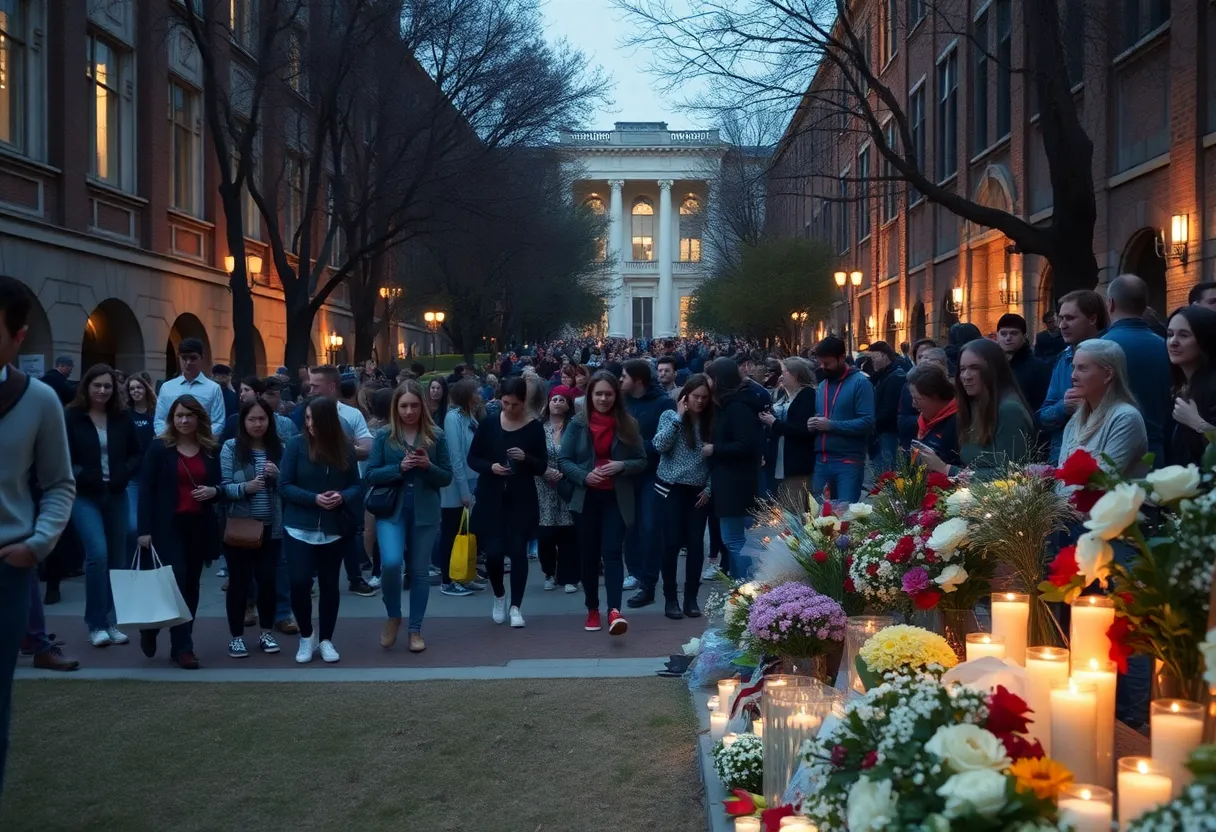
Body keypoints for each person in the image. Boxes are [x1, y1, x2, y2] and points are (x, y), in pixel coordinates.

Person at [0, 275, 76, 795]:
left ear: (18, 337)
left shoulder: (38, 399)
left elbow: (58, 484)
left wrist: (38, 543)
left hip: (6, 566)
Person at [137, 394, 223, 669]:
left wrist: (214, 491)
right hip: (167, 525)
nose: (184, 420)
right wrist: (143, 529)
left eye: (189, 415)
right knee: (177, 580)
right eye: (179, 416)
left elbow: (219, 484)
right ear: (172, 419)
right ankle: (166, 636)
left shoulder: (210, 449)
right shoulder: (160, 448)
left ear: (199, 418)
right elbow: (145, 490)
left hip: (198, 525)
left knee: (191, 585)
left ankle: (179, 644)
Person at [558, 371, 646, 636]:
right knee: (589, 555)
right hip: (586, 498)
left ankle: (615, 610)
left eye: (608, 393)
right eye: (598, 394)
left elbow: (642, 460)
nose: (604, 398)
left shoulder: (628, 423)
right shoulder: (577, 424)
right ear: (590, 395)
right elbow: (564, 460)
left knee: (612, 552)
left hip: (615, 499)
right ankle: (593, 608)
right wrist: (585, 476)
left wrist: (622, 465)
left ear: (615, 395)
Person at [367, 380, 452, 654]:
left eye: (414, 405)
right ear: (396, 407)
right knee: (391, 563)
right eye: (403, 406)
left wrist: (428, 466)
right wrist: (398, 468)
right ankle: (394, 614)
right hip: (392, 510)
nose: (409, 411)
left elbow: (446, 476)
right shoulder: (384, 436)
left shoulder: (436, 435)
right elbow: (370, 474)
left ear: (422, 406)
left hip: (425, 511)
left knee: (419, 572)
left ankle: (415, 629)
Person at [279, 397, 363, 664]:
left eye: (314, 418)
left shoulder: (345, 449)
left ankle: (326, 639)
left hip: (333, 528)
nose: (310, 424)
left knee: (329, 585)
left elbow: (356, 485)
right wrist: (313, 498)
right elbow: (284, 485)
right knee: (299, 582)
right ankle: (307, 635)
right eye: (306, 418)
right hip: (299, 526)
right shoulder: (296, 445)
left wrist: (342, 496)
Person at [65, 363, 141, 648]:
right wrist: (82, 475)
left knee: (118, 560)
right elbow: (62, 454)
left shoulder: (121, 416)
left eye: (108, 386)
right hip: (84, 495)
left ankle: (110, 621)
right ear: (87, 386)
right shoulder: (72, 416)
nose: (102, 390)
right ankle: (95, 624)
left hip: (117, 493)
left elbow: (136, 453)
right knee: (97, 554)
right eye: (97, 385)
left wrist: (124, 473)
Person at [466, 376, 547, 628]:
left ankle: (516, 607)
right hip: (492, 497)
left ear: (524, 402)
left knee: (518, 552)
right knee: (494, 554)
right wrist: (491, 467)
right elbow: (473, 458)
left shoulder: (533, 428)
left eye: (514, 404)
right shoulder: (489, 424)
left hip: (521, 498)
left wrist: (526, 458)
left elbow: (542, 466)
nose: (509, 409)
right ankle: (499, 594)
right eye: (505, 403)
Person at [218, 398, 285, 658]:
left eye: (262, 419)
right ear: (243, 421)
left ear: (270, 421)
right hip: (240, 527)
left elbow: (288, 489)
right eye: (252, 419)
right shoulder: (231, 448)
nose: (257, 424)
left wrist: (278, 477)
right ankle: (236, 637)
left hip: (272, 528)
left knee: (267, 580)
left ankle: (266, 632)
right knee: (239, 582)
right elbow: (222, 488)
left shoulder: (280, 449)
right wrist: (245, 488)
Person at [917, 339, 1033, 480]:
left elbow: (1011, 475)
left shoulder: (1010, 410)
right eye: (963, 369)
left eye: (975, 368)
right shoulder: (975, 406)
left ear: (993, 369)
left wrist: (945, 469)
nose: (966, 376)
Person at [307, 365, 376, 597]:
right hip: (312, 485)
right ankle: (307, 580)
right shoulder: (303, 413)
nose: (311, 389)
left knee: (349, 531)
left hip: (344, 482)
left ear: (332, 386)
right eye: (310, 384)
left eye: (316, 385)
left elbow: (367, 448)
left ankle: (355, 578)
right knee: (311, 530)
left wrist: (337, 451)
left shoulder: (350, 414)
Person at [652, 374, 713, 619]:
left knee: (696, 546)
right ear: (685, 396)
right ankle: (670, 597)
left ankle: (691, 598)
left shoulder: (711, 422)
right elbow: (658, 445)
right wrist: (678, 418)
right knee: (671, 543)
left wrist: (709, 489)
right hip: (671, 488)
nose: (699, 402)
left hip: (698, 490)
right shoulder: (669, 417)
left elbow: (716, 462)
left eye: (704, 398)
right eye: (695, 397)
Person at [620, 358, 676, 608]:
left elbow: (665, 442)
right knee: (629, 525)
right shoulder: (621, 402)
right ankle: (635, 571)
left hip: (653, 474)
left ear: (638, 380)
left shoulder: (663, 403)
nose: (621, 380)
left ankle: (649, 583)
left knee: (651, 526)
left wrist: (635, 448)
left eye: (624, 376)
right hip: (625, 474)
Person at [705, 358, 765, 580]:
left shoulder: (738, 407)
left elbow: (745, 445)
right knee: (735, 538)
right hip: (730, 478)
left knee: (734, 539)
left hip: (736, 481)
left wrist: (715, 449)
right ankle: (742, 584)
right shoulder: (728, 404)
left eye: (710, 378)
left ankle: (746, 585)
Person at [1103, 274, 1171, 467]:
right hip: (1157, 454)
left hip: (1111, 453)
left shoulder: (1098, 348)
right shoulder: (1167, 347)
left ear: (1111, 304)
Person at [1058, 340, 1147, 478]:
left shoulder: (1125, 418)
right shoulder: (1075, 420)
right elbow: (1062, 479)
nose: (1073, 376)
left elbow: (1104, 481)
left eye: (1082, 368)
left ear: (1108, 374)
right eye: (1073, 367)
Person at [1039, 290, 1109, 464]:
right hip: (1062, 459)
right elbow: (1043, 416)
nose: (1062, 325)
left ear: (1092, 319)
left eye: (1069, 318)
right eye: (1060, 318)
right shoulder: (1063, 359)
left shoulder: (1112, 355)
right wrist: (1064, 407)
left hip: (1101, 461)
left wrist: (1088, 408)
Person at [807, 337, 874, 503]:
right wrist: (813, 424)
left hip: (848, 461)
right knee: (819, 517)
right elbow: (824, 416)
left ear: (842, 357)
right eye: (820, 363)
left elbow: (867, 421)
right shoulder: (823, 385)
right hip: (821, 460)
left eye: (827, 363)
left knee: (845, 517)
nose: (823, 368)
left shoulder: (860, 383)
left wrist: (830, 425)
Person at [438, 379, 483, 597]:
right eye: (476, 393)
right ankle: (448, 580)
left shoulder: (469, 417)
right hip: (456, 485)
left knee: (467, 532)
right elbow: (456, 456)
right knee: (452, 532)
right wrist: (464, 491)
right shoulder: (452, 418)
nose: (479, 396)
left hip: (472, 480)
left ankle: (464, 575)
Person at [536, 386, 580, 593]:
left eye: (562, 400)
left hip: (567, 484)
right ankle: (548, 572)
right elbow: (531, 454)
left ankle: (569, 576)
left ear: (568, 404)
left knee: (567, 533)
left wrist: (566, 473)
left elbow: (580, 454)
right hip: (542, 486)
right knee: (545, 534)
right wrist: (543, 470)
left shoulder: (574, 427)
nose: (557, 403)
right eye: (554, 399)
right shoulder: (538, 427)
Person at [759, 357, 817, 505]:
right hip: (779, 461)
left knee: (795, 509)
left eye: (784, 372)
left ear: (795, 375)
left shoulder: (807, 395)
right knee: (786, 509)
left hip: (796, 463)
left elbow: (803, 430)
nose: (780, 376)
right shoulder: (783, 395)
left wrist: (774, 423)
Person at [1165, 305, 1216, 466]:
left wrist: (1196, 422)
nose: (1173, 342)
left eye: (1184, 335)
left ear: (1204, 339)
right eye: (1170, 334)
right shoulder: (1181, 386)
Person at [155, 338, 226, 435]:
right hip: (171, 444)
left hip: (202, 445)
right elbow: (159, 420)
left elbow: (218, 422)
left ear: (201, 358)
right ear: (179, 358)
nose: (188, 362)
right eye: (184, 358)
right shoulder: (167, 387)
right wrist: (169, 441)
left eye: (193, 358)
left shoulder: (213, 388)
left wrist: (201, 441)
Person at [906, 364, 960, 469]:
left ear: (934, 396)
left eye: (917, 399)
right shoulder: (924, 421)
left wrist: (941, 467)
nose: (913, 404)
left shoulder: (959, 423)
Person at [865, 341, 906, 474]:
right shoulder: (881, 375)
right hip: (880, 432)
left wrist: (871, 423)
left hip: (887, 432)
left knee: (886, 474)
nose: (873, 362)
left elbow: (889, 409)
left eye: (874, 358)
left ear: (885, 356)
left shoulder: (896, 377)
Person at [996, 313, 1050, 412]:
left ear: (1024, 337)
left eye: (1014, 333)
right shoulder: (992, 366)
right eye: (1003, 334)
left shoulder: (1039, 368)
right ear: (997, 336)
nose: (1008, 338)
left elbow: (1043, 405)